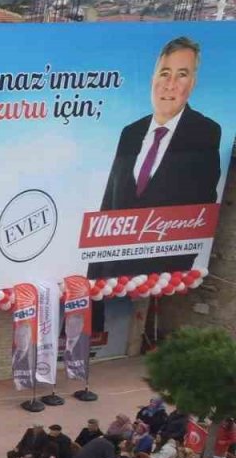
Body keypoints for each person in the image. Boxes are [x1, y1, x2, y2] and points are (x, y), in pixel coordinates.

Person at [90, 36, 222, 278]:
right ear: (153, 79)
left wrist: (165, 279)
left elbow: (199, 214)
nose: (170, 84)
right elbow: (108, 207)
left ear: (192, 83)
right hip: (111, 276)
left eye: (182, 75)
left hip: (159, 279)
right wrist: (94, 278)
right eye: (165, 73)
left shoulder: (205, 132)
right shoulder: (130, 133)